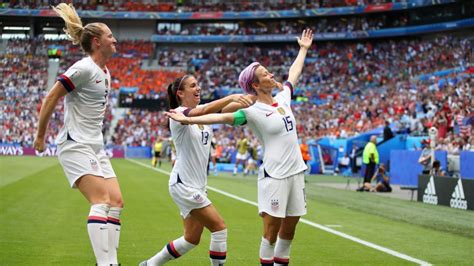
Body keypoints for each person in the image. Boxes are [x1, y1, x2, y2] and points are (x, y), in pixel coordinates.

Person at [166, 29, 313, 266]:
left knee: (289, 232)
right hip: (274, 175)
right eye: (265, 73)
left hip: (297, 172)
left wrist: (303, 48)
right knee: (271, 233)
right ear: (255, 84)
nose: (271, 74)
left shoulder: (284, 99)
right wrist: (189, 120)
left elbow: (293, 74)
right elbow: (220, 118)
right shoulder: (251, 111)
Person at [33, 3, 123, 265]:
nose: (114, 39)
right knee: (101, 200)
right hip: (76, 144)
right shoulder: (82, 68)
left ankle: (112, 261)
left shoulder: (105, 72)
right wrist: (40, 136)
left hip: (96, 146)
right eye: (109, 36)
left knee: (116, 201)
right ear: (97, 42)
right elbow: (51, 97)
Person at [140, 75, 255, 266]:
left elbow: (227, 111)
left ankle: (150, 264)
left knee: (191, 239)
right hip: (184, 185)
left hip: (197, 185)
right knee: (219, 229)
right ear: (180, 93)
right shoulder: (178, 113)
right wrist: (231, 96)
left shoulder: (202, 116)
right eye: (193, 86)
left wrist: (253, 97)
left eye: (198, 85)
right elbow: (206, 109)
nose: (198, 88)